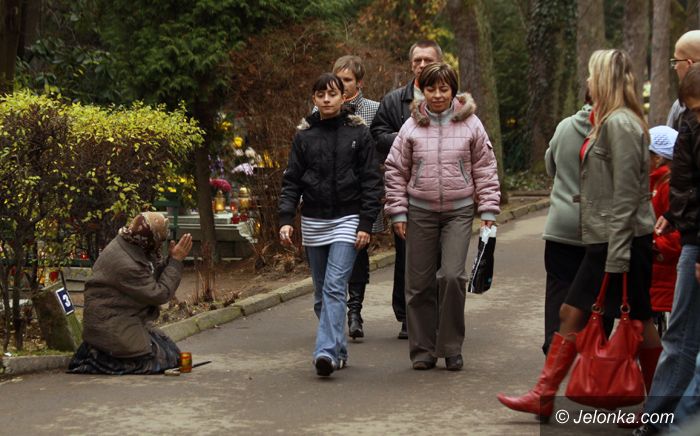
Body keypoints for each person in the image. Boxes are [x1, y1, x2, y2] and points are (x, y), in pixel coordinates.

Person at [498, 49, 662, 421]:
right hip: (612, 240)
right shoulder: (613, 120)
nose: (587, 81)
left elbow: (625, 195)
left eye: (590, 74)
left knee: (634, 322)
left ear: (603, 79)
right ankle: (545, 394)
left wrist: (616, 256)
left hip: (619, 242)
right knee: (602, 316)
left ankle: (652, 403)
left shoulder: (620, 124)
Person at [384, 62, 500, 371]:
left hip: (458, 211)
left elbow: (485, 168)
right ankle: (422, 350)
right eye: (431, 88)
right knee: (419, 283)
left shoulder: (471, 124)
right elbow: (395, 171)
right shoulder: (411, 126)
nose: (437, 95)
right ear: (422, 90)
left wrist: (488, 208)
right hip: (419, 211)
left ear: (453, 91)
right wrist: (398, 212)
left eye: (444, 89)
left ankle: (450, 346)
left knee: (451, 276)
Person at [278, 73, 382, 377]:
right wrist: (286, 219)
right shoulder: (304, 136)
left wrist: (366, 223)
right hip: (313, 220)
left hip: (348, 219)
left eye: (332, 94)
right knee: (321, 293)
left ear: (343, 97)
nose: (326, 99)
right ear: (314, 98)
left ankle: (325, 352)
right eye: (321, 94)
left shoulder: (358, 133)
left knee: (335, 287)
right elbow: (292, 180)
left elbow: (371, 181)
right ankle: (338, 349)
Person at [636, 63, 700, 435]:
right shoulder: (689, 127)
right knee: (679, 336)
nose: (694, 116)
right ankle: (657, 417)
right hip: (692, 239)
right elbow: (687, 182)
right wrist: (674, 217)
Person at [371, 40, 443, 340]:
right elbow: (377, 134)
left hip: (443, 190)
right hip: (406, 188)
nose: (422, 65)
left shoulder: (451, 100)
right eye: (417, 60)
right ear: (411, 64)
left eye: (428, 60)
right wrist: (407, 139)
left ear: (440, 63)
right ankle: (406, 316)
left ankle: (436, 314)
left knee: (440, 256)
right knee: (407, 255)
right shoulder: (393, 101)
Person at [68, 212, 193, 375]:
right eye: (159, 241)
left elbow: (148, 278)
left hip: (120, 320)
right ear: (149, 240)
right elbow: (159, 294)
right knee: (165, 360)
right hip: (111, 326)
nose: (159, 246)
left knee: (172, 354)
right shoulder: (126, 264)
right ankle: (100, 358)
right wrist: (175, 261)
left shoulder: (130, 244)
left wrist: (170, 260)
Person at [331, 55, 381, 340]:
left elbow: (379, 149)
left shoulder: (373, 109)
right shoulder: (322, 107)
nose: (342, 85)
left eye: (347, 80)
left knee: (358, 251)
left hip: (361, 194)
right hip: (330, 195)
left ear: (359, 83)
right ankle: (334, 310)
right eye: (338, 79)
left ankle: (355, 310)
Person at [540, 94, 592, 355]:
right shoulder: (618, 128)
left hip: (561, 225)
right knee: (596, 294)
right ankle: (592, 350)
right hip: (598, 228)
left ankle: (554, 348)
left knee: (559, 289)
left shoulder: (565, 126)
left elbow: (551, 166)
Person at [647, 126, 680, 336]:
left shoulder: (668, 186)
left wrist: (654, 246)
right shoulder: (654, 182)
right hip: (657, 270)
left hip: (665, 268)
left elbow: (679, 230)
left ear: (658, 158)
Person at [666, 31, 700, 130]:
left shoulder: (680, 108)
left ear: (689, 64)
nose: (675, 67)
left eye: (676, 61)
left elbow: (671, 138)